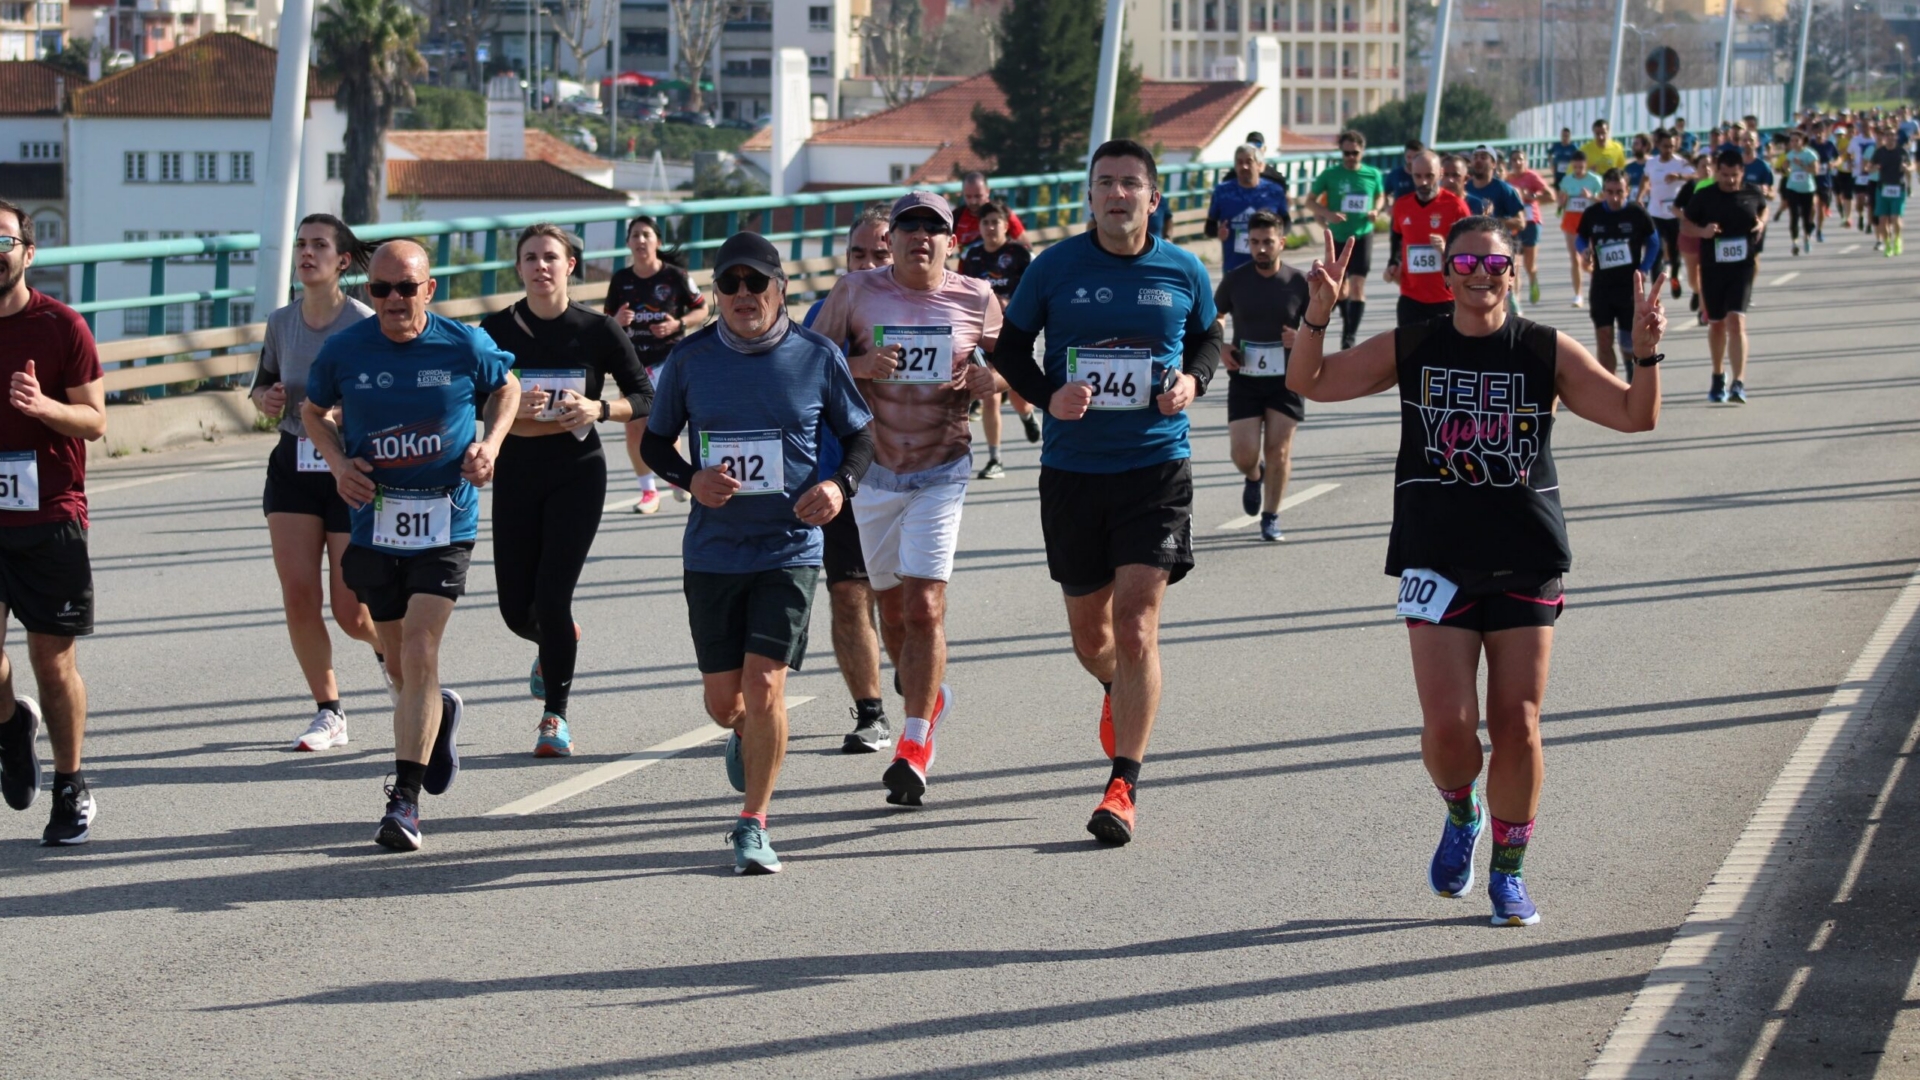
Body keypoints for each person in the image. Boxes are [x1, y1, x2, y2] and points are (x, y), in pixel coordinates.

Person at [1286, 218, 1667, 928]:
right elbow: (1309, 379)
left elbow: (1633, 415)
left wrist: (1647, 356)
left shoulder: (1544, 349)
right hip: (1435, 555)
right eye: (1466, 261)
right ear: (1446, 270)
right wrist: (1318, 313)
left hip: (1526, 552)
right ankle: (1462, 813)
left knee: (1517, 724)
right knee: (1449, 726)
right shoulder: (1417, 342)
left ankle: (1509, 871)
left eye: (1493, 263)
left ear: (1513, 271)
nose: (1479, 274)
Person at [988, 138, 1222, 846]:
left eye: (1131, 184)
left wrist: (1194, 382)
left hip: (1155, 469)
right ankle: (1113, 690)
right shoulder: (1054, 267)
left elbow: (1211, 338)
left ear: (1154, 198)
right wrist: (1045, 396)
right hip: (1073, 473)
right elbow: (1008, 350)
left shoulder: (1183, 269)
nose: (1118, 195)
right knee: (1093, 639)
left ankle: (1123, 784)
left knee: (1136, 625)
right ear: (1089, 196)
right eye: (1105, 184)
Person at [640, 231, 875, 874]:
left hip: (789, 545)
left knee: (765, 683)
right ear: (715, 294)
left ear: (780, 288)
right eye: (730, 284)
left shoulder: (817, 355)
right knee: (726, 703)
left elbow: (861, 437)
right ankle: (742, 733)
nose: (744, 295)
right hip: (713, 550)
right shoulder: (690, 361)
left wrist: (837, 484)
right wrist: (692, 478)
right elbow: (656, 445)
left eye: (756, 282)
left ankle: (753, 822)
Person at [303, 240, 521, 852]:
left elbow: (506, 388)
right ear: (367, 292)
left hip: (446, 518)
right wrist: (338, 460)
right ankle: (436, 716)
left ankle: (404, 800)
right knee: (399, 663)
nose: (394, 301)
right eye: (380, 290)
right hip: (375, 519)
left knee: (422, 649)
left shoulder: (463, 344)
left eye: (406, 288)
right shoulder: (346, 349)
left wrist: (491, 444)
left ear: (429, 289)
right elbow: (312, 409)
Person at [811, 192, 1003, 807]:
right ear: (890, 238)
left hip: (942, 469)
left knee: (923, 609)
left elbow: (1016, 372)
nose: (921, 235)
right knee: (891, 615)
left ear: (952, 241)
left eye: (935, 228)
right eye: (909, 226)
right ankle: (927, 693)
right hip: (873, 473)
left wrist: (989, 379)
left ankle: (914, 746)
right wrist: (861, 362)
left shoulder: (977, 297)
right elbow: (809, 364)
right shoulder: (854, 292)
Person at [480, 225, 653, 757]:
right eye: (530, 258)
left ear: (570, 265)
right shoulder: (495, 329)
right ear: (519, 268)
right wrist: (506, 410)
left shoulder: (597, 330)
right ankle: (557, 641)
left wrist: (599, 409)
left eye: (551, 257)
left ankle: (554, 716)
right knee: (516, 610)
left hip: (577, 473)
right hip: (516, 473)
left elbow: (646, 395)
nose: (541, 266)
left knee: (553, 597)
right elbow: (469, 398)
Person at [252, 214, 384, 753]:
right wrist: (268, 400)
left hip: (347, 467)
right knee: (298, 594)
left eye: (320, 245)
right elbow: (261, 386)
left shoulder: (363, 323)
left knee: (351, 609)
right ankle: (328, 711)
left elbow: (382, 393)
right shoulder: (282, 321)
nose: (307, 254)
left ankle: (391, 656)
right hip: (292, 464)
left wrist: (338, 412)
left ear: (342, 260)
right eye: (301, 245)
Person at [0, 198, 106, 846]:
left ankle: (71, 782)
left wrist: (43, 407)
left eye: (1, 240)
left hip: (49, 514)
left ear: (26, 252)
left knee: (51, 661)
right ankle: (11, 725)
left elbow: (95, 421)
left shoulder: (61, 326)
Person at [803, 209, 896, 753]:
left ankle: (911, 668)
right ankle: (871, 711)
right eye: (857, 255)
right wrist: (857, 365)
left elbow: (978, 362)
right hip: (844, 473)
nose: (866, 265)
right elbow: (801, 368)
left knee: (902, 603)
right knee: (848, 592)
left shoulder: (923, 306)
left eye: (879, 255)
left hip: (912, 476)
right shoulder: (827, 310)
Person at [1214, 211, 1308, 543]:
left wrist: (1303, 338)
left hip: (1288, 379)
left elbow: (1319, 326)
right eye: (1254, 242)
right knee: (1244, 453)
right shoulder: (1235, 279)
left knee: (1279, 449)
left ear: (1281, 242)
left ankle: (1271, 517)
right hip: (1245, 376)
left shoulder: (1299, 282)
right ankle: (1254, 476)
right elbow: (1216, 317)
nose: (1261, 249)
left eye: (1268, 242)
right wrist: (1222, 347)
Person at [605, 216, 705, 514]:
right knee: (635, 428)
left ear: (657, 242)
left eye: (646, 234)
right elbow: (606, 320)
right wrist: (617, 322)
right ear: (628, 243)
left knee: (665, 427)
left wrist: (678, 323)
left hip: (668, 361)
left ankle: (674, 477)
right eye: (634, 235)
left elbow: (701, 308)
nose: (640, 241)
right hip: (633, 364)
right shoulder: (621, 280)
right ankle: (648, 492)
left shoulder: (675, 276)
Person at [957, 200, 1040, 480]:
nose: (991, 227)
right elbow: (961, 291)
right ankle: (995, 460)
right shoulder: (973, 255)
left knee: (1019, 394)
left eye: (996, 222)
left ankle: (1028, 416)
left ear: (1007, 225)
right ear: (979, 227)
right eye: (985, 222)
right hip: (983, 335)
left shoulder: (1020, 254)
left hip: (1017, 333)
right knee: (989, 394)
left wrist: (1009, 302)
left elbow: (1038, 292)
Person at [1682, 148, 1768, 404]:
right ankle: (1718, 375)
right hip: (1713, 268)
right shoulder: (1704, 196)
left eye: (1734, 175)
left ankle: (1738, 383)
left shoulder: (1752, 192)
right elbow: (1685, 224)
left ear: (1742, 172)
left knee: (1736, 321)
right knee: (1717, 323)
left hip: (1742, 267)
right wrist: (1703, 231)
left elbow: (1763, 208)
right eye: (1725, 175)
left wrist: (1761, 222)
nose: (1729, 180)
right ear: (1717, 171)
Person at [1576, 170, 1661, 378]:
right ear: (1603, 191)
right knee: (1604, 338)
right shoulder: (1593, 213)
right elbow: (1580, 238)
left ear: (1627, 191)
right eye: (1610, 192)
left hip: (1630, 289)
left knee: (1627, 342)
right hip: (1602, 287)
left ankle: (1632, 371)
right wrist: (1584, 251)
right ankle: (1610, 386)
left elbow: (1653, 242)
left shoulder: (1636, 213)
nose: (1614, 197)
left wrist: (1644, 266)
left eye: (1619, 192)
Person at [1308, 129, 1386, 349]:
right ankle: (1346, 323)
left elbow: (1380, 196)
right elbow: (1310, 201)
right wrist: (1327, 214)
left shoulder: (1372, 174)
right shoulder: (1330, 175)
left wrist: (1376, 211)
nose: (1351, 157)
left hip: (1362, 234)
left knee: (1358, 287)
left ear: (1362, 152)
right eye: (1347, 153)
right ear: (1341, 153)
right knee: (1340, 290)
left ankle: (1349, 336)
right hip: (1339, 237)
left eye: (1355, 153)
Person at [1387, 150, 1473, 326]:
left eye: (1429, 176)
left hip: (1446, 297)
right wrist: (1393, 263)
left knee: (1445, 353)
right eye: (1418, 176)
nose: (1424, 182)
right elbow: (1396, 237)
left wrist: (1447, 248)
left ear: (1440, 174)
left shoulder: (1456, 206)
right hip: (1411, 297)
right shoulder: (1402, 205)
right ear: (1411, 173)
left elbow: (1470, 251)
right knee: (1408, 352)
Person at [1206, 143, 1291, 276]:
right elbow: (1209, 227)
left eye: (1249, 162)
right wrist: (1218, 232)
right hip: (1234, 267)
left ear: (1259, 165)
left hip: (1267, 267)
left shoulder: (1274, 191)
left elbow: (1286, 221)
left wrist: (1278, 239)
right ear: (1235, 166)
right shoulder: (1222, 192)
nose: (1244, 166)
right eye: (1239, 163)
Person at [1643, 129, 1695, 298]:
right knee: (1655, 251)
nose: (1669, 150)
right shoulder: (1651, 163)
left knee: (1674, 252)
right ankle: (1655, 293)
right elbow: (1645, 179)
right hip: (1655, 213)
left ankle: (1674, 278)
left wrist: (1679, 176)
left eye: (1672, 146)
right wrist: (1639, 196)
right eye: (1665, 146)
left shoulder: (1680, 162)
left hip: (1674, 214)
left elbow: (1696, 175)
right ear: (1658, 146)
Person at [1504, 150, 1551, 305]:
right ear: (1510, 163)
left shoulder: (1532, 177)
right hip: (1515, 223)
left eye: (1520, 159)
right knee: (1514, 262)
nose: (1517, 163)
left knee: (1528, 264)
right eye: (1514, 160)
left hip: (1531, 221)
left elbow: (1551, 196)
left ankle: (1533, 278)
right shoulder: (1507, 179)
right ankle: (1515, 298)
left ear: (1526, 162)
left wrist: (1533, 196)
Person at [1556, 152, 1602, 307]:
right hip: (1571, 220)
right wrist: (1562, 200)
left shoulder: (1594, 180)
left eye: (1580, 167)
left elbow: (1603, 201)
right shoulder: (1567, 180)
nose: (1577, 170)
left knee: (1587, 260)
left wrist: (1591, 197)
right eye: (1575, 167)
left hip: (1590, 221)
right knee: (1574, 259)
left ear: (1586, 164)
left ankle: (1598, 284)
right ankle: (1578, 295)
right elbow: (1560, 200)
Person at [953, 170, 1027, 248]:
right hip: (968, 259)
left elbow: (1025, 247)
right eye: (968, 196)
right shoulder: (957, 216)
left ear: (987, 191)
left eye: (978, 196)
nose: (973, 201)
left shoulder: (1003, 213)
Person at [1870, 126, 1911, 257]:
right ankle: (1887, 244)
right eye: (1888, 135)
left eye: (1893, 135)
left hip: (1898, 188)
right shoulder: (1879, 152)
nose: (1890, 137)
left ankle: (1897, 239)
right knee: (1882, 220)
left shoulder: (1902, 152)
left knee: (1895, 218)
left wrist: (1907, 168)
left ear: (1896, 137)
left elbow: (1912, 166)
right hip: (1882, 188)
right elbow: (1869, 168)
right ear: (1884, 138)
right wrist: (1874, 168)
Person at [1780, 130, 1820, 256]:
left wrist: (1801, 165)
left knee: (1807, 217)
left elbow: (1815, 171)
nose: (1794, 143)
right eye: (1792, 141)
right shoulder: (1789, 154)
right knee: (1794, 215)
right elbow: (1785, 167)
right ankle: (1794, 242)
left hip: (1807, 189)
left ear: (1802, 141)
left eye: (1796, 140)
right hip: (1793, 188)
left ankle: (1807, 237)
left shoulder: (1810, 154)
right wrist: (1786, 167)